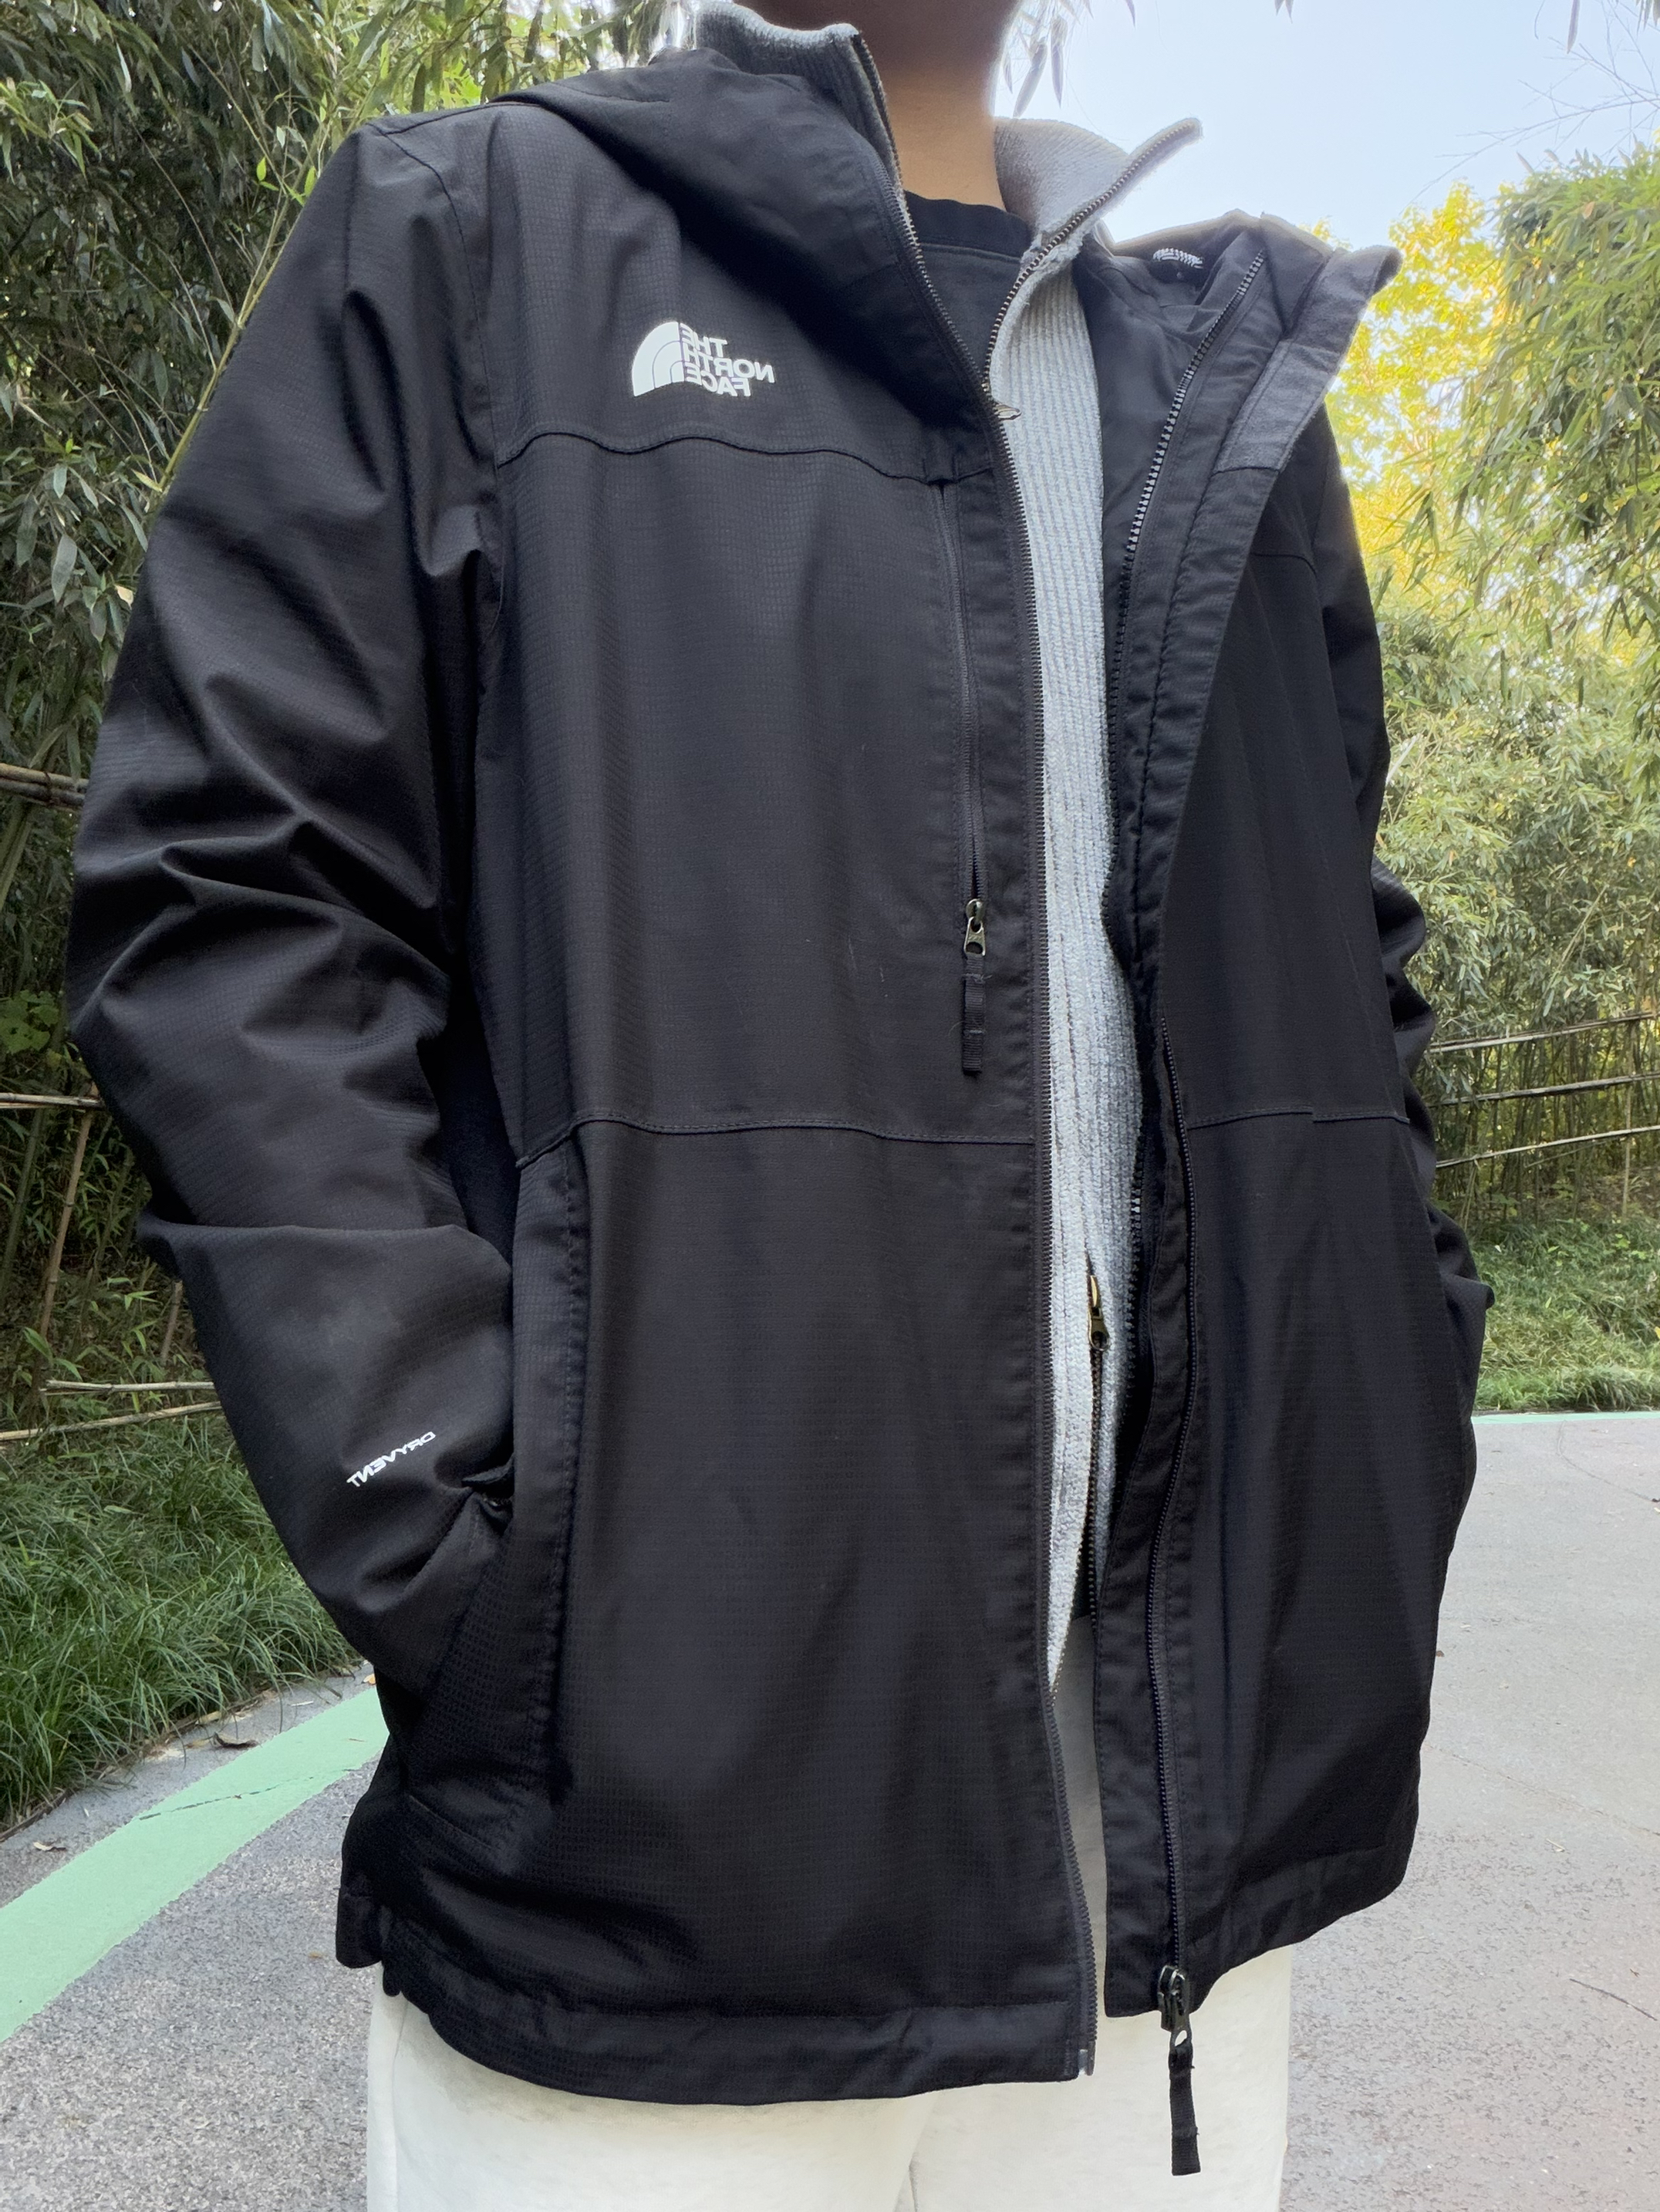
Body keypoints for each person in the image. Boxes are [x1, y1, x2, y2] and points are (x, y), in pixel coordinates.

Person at [66, 1, 1491, 2204]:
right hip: (645, 1909)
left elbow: (1342, 964)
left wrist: (1403, 1372)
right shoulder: (466, 249)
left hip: (1163, 1882)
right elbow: (231, 901)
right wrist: (480, 1555)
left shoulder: (1225, 387)